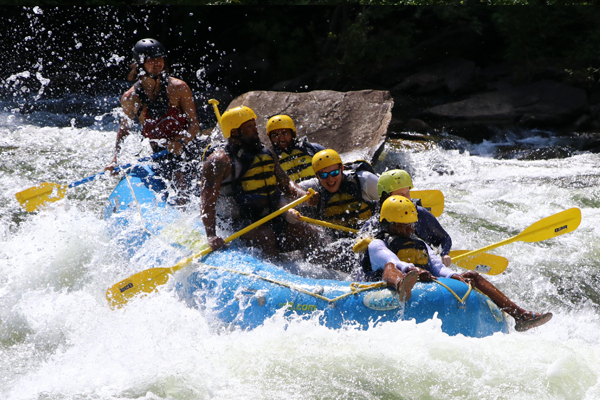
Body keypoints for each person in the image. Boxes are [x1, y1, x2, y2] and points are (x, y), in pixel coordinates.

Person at [361, 195, 553, 332]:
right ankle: (402, 285)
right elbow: (392, 261)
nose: (409, 229)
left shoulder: (420, 244)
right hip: (392, 282)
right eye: (403, 225)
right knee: (390, 268)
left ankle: (520, 315)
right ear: (389, 224)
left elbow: (438, 267)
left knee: (472, 276)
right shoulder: (377, 243)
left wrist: (454, 276)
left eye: (411, 224)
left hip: (424, 281)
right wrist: (413, 270)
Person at [200, 105, 320, 258]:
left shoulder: (266, 153)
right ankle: (276, 275)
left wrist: (306, 196)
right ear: (235, 132)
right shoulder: (219, 161)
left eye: (254, 125)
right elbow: (207, 201)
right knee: (266, 236)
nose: (256, 129)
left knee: (311, 234)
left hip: (272, 215)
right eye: (249, 127)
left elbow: (286, 184)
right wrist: (211, 236)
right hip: (239, 224)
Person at [106, 38, 203, 204]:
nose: (158, 63)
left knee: (179, 171)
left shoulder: (179, 88)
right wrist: (115, 159)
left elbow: (194, 125)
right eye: (152, 60)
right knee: (173, 169)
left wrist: (181, 142)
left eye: (160, 59)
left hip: (188, 146)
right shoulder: (130, 98)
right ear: (141, 64)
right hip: (160, 153)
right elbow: (124, 130)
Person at [375, 169, 453, 266]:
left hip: (422, 262)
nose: (406, 198)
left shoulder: (420, 213)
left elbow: (445, 238)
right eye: (400, 195)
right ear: (386, 197)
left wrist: (444, 254)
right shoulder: (379, 218)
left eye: (407, 192)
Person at [299, 149, 379, 231]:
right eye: (323, 175)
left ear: (342, 168)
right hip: (336, 241)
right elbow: (287, 194)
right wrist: (291, 211)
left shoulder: (364, 180)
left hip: (369, 234)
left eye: (335, 173)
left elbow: (390, 201)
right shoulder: (313, 187)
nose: (330, 179)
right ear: (316, 175)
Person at [266, 115, 325, 183]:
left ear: (293, 134)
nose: (281, 139)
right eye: (275, 135)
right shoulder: (269, 160)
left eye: (285, 133)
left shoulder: (313, 149)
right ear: (270, 138)